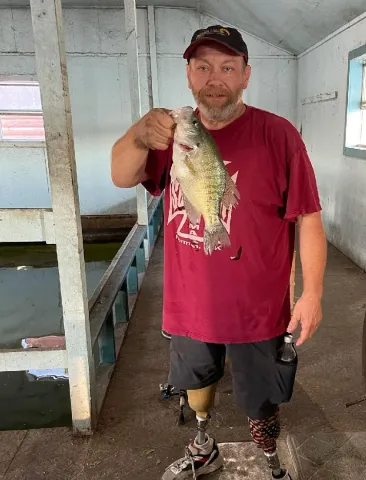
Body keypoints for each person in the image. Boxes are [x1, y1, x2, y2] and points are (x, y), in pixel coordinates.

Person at [111, 24, 327, 480]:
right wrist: (137, 136)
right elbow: (121, 175)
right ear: (189, 75)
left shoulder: (279, 134)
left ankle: (270, 459)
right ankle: (203, 445)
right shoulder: (170, 133)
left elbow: (308, 216)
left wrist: (312, 294)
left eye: (228, 67)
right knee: (195, 383)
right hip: (189, 302)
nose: (215, 78)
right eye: (203, 67)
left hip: (259, 307)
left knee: (261, 397)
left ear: (246, 75)